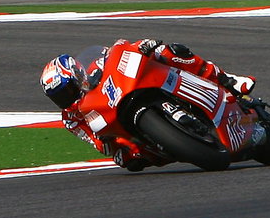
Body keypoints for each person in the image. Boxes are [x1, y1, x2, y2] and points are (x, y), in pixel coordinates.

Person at [40, 39, 256, 171]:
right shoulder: (71, 117)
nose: (66, 97)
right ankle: (176, 144)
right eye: (59, 96)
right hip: (120, 125)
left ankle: (227, 79)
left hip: (136, 86)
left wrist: (142, 46)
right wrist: (109, 148)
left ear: (77, 74)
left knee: (167, 52)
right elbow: (93, 140)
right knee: (130, 161)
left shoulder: (97, 65)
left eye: (68, 89)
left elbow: (121, 51)